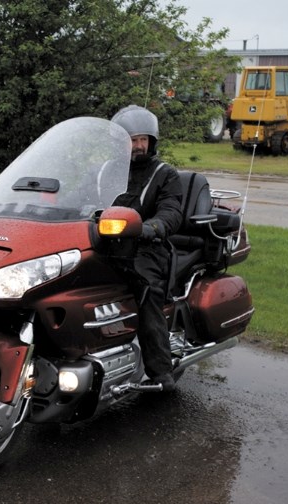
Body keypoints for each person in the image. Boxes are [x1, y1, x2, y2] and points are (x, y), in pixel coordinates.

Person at [111, 105, 183, 393]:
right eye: (132, 139)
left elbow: (171, 212)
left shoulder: (165, 175)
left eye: (143, 139)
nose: (139, 145)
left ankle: (160, 369)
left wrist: (150, 227)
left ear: (152, 141)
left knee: (145, 288)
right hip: (107, 243)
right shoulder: (110, 171)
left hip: (147, 247)